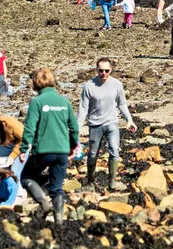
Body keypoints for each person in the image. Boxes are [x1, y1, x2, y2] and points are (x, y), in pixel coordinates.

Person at [19, 68, 79, 223]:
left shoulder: (36, 102)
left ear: (35, 84)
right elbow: (74, 127)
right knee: (57, 188)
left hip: (43, 151)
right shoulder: (64, 102)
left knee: (26, 177)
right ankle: (59, 220)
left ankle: (44, 203)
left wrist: (24, 149)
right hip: (62, 151)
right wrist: (73, 146)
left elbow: (30, 128)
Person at [78, 57, 137, 189]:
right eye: (101, 70)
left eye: (106, 70)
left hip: (112, 122)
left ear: (111, 70)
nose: (103, 73)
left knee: (114, 149)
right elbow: (83, 108)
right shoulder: (89, 86)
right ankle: (90, 181)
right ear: (96, 70)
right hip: (95, 124)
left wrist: (129, 120)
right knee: (93, 154)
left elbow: (122, 104)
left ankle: (112, 183)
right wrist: (78, 127)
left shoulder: (117, 84)